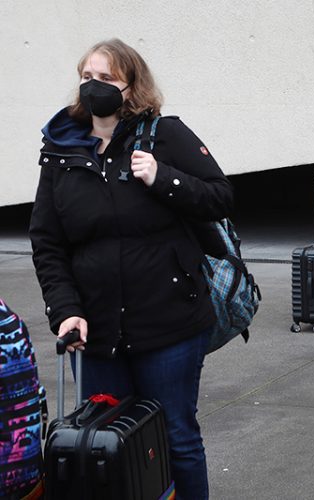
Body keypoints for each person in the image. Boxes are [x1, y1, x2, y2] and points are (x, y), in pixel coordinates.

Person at [29, 38, 233, 499]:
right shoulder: (60, 149)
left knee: (176, 436)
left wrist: (165, 178)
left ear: (130, 85)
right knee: (107, 441)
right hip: (95, 331)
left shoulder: (165, 134)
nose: (93, 86)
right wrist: (65, 310)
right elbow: (47, 242)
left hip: (170, 323)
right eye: (87, 77)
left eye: (105, 78)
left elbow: (220, 197)